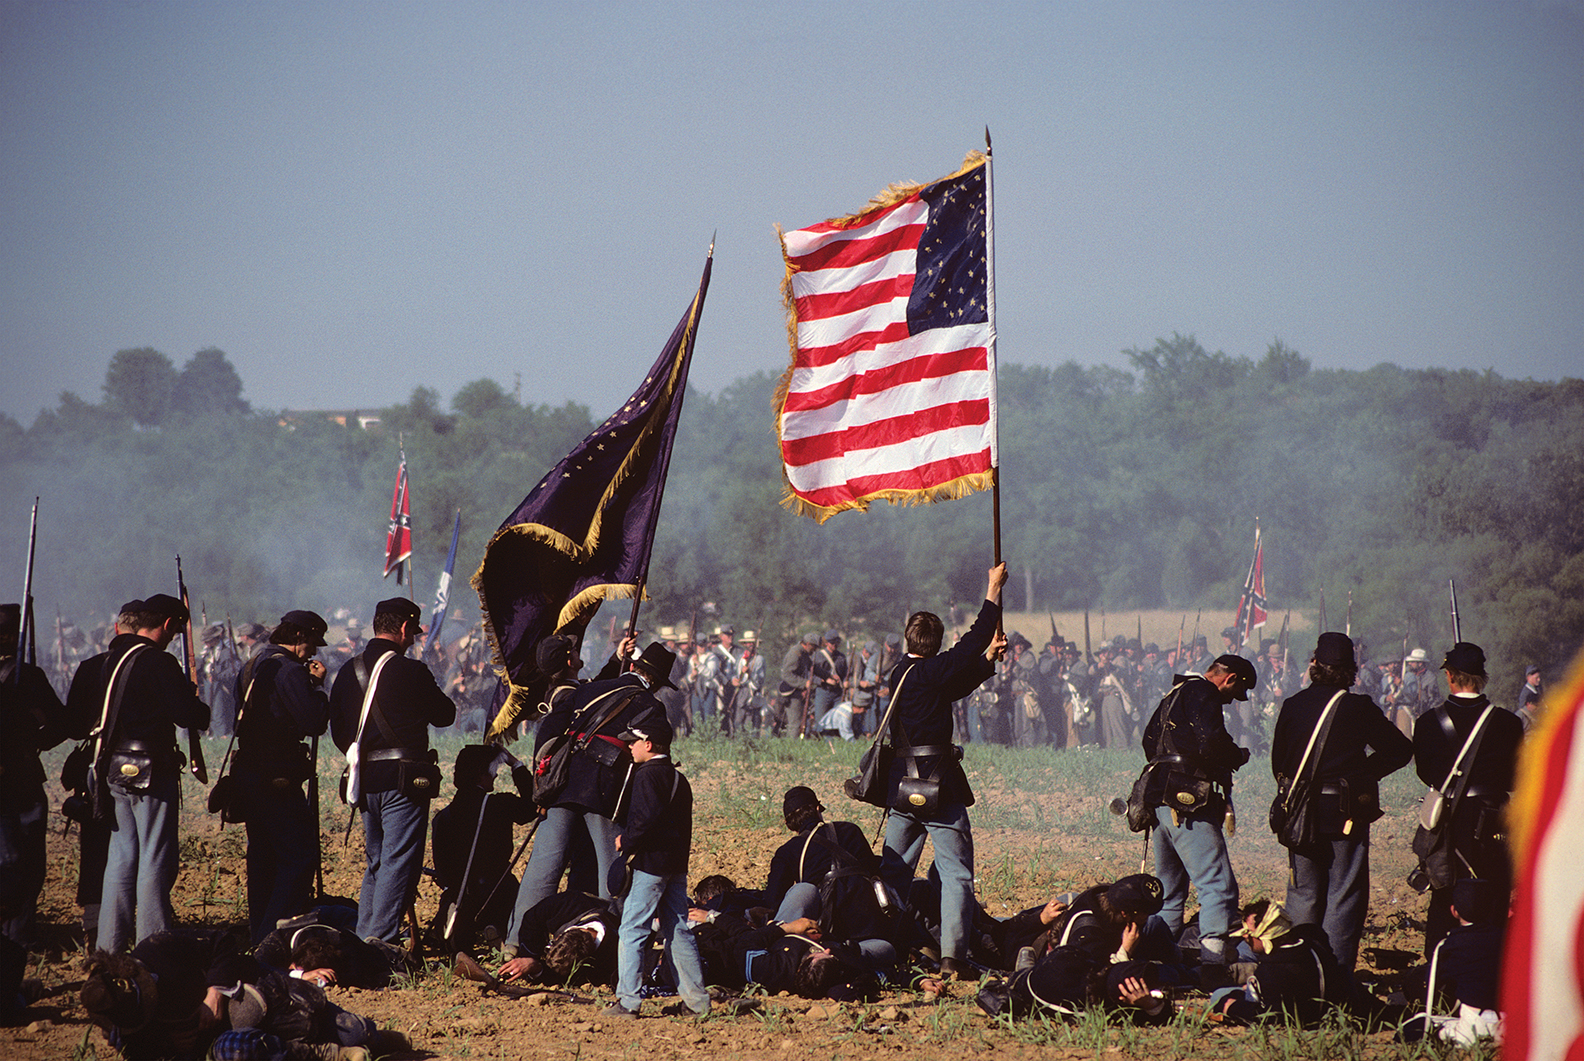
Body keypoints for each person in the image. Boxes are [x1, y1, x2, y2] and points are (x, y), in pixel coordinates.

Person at [876, 562, 1008, 980]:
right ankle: (952, 956)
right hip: (937, 784)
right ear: (936, 644)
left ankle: (885, 943)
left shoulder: (906, 673)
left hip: (902, 786)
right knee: (956, 875)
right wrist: (992, 590)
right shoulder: (928, 672)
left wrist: (987, 660)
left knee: (894, 872)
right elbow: (967, 646)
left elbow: (952, 686)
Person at [503, 641, 672, 955]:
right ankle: (611, 944)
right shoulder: (652, 706)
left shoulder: (590, 689)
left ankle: (516, 942)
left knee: (543, 867)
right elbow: (654, 762)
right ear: (659, 681)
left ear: (633, 667)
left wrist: (542, 786)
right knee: (611, 874)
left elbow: (549, 733)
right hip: (606, 791)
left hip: (563, 785)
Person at [67, 594, 209, 954]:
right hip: (151, 768)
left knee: (121, 856)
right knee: (155, 857)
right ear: (166, 625)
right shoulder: (158, 662)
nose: (174, 637)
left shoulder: (103, 662)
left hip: (111, 768)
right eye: (175, 631)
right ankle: (153, 946)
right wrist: (195, 701)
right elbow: (187, 715)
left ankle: (108, 947)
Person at [1272, 631, 1413, 971]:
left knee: (1303, 894)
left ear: (1314, 665)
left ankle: (1299, 973)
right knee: (1343, 896)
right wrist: (1361, 775)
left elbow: (1280, 763)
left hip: (1301, 810)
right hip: (1345, 810)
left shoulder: (1294, 705)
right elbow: (1400, 749)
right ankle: (1333, 976)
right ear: (1350, 670)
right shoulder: (1358, 707)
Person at [328, 597, 455, 944]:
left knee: (377, 861)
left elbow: (339, 729)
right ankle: (379, 944)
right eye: (412, 631)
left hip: (365, 778)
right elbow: (445, 714)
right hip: (405, 780)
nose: (413, 637)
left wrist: (359, 755)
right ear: (402, 628)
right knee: (398, 863)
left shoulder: (348, 670)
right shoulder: (411, 671)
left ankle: (365, 936)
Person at [1138, 653, 1255, 980]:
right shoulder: (1203, 692)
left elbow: (1148, 742)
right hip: (1187, 799)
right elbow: (1211, 742)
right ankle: (1214, 967)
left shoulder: (1174, 692)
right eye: (1233, 693)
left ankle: (1157, 958)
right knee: (1218, 885)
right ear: (1229, 679)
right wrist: (1236, 755)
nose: (1231, 701)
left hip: (1161, 800)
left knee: (1169, 894)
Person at [1412, 641, 1522, 954]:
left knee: (1445, 894)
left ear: (1450, 676)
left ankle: (1440, 974)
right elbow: (1515, 778)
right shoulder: (1508, 723)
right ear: (1481, 677)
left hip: (1447, 821)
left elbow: (1426, 772)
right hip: (1492, 820)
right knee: (1494, 894)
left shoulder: (1427, 723)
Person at [232, 609, 331, 944]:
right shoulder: (290, 671)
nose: (314, 652)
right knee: (298, 858)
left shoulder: (252, 665)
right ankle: (271, 936)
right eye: (311, 643)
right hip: (277, 777)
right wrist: (317, 688)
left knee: (262, 858)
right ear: (299, 638)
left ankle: (258, 932)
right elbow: (313, 722)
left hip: (248, 772)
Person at [604, 717, 710, 1019]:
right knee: (677, 929)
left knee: (632, 928)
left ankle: (627, 1001)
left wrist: (627, 841)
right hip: (676, 866)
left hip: (651, 866)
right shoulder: (679, 778)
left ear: (648, 745)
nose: (629, 746)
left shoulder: (646, 775)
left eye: (634, 742)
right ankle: (696, 1002)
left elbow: (644, 821)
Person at [0, 603, 70, 1024]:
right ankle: (8, 985)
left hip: (18, 777)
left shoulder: (26, 677)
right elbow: (61, 724)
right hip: (18, 785)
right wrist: (32, 738)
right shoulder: (26, 678)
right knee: (22, 876)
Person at [430, 744, 535, 952]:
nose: (495, 776)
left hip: (460, 894)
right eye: (493, 771)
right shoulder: (500, 804)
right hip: (497, 890)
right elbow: (531, 806)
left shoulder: (441, 818)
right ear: (481, 775)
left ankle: (458, 920)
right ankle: (500, 928)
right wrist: (516, 765)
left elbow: (441, 871)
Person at [1517, 664, 1543, 731]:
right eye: (1536, 678)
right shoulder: (1525, 694)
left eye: (1539, 677)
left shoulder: (1539, 688)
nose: (1539, 679)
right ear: (1529, 677)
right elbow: (1524, 714)